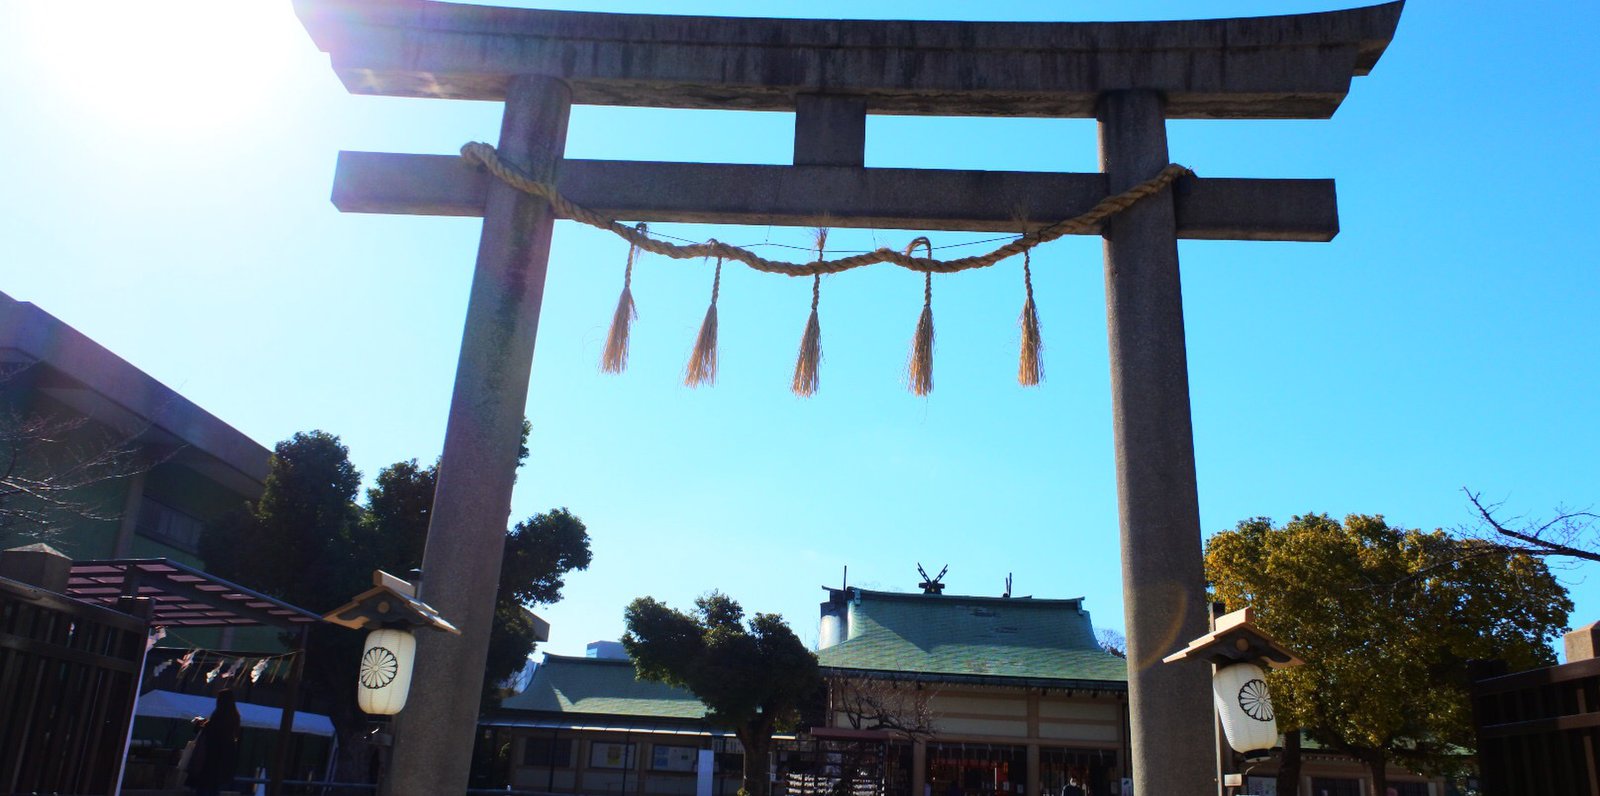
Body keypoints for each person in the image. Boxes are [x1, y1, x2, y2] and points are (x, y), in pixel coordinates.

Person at [186, 689, 242, 796]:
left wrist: (200, 725)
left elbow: (205, 739)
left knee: (204, 790)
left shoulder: (215, 721)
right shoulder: (233, 720)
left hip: (207, 765)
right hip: (221, 768)